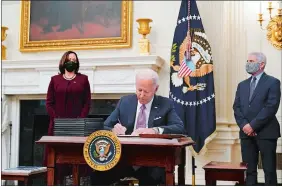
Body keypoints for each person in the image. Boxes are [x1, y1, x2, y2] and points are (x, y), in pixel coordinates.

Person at [92, 69, 185, 186]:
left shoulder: (165, 104)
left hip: (152, 159)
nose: (141, 95)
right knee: (98, 175)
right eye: (139, 90)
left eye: (146, 92)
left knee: (155, 177)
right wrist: (113, 130)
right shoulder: (125, 102)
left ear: (155, 89)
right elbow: (106, 125)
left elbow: (179, 127)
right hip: (125, 158)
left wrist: (154, 130)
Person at [233, 52, 281, 186]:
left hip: (266, 132)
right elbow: (237, 108)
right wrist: (245, 126)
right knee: (249, 171)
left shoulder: (273, 82)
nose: (248, 63)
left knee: (269, 170)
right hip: (246, 134)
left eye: (251, 61)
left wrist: (253, 126)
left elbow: (271, 107)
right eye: (247, 60)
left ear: (261, 64)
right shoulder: (242, 85)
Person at [45, 51, 91, 183]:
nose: (71, 61)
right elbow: (49, 103)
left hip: (77, 125)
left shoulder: (83, 79)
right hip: (57, 125)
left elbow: (87, 103)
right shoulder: (55, 80)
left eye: (74, 59)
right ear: (63, 61)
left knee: (75, 156)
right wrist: (56, 119)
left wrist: (80, 120)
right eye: (69, 59)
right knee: (57, 158)